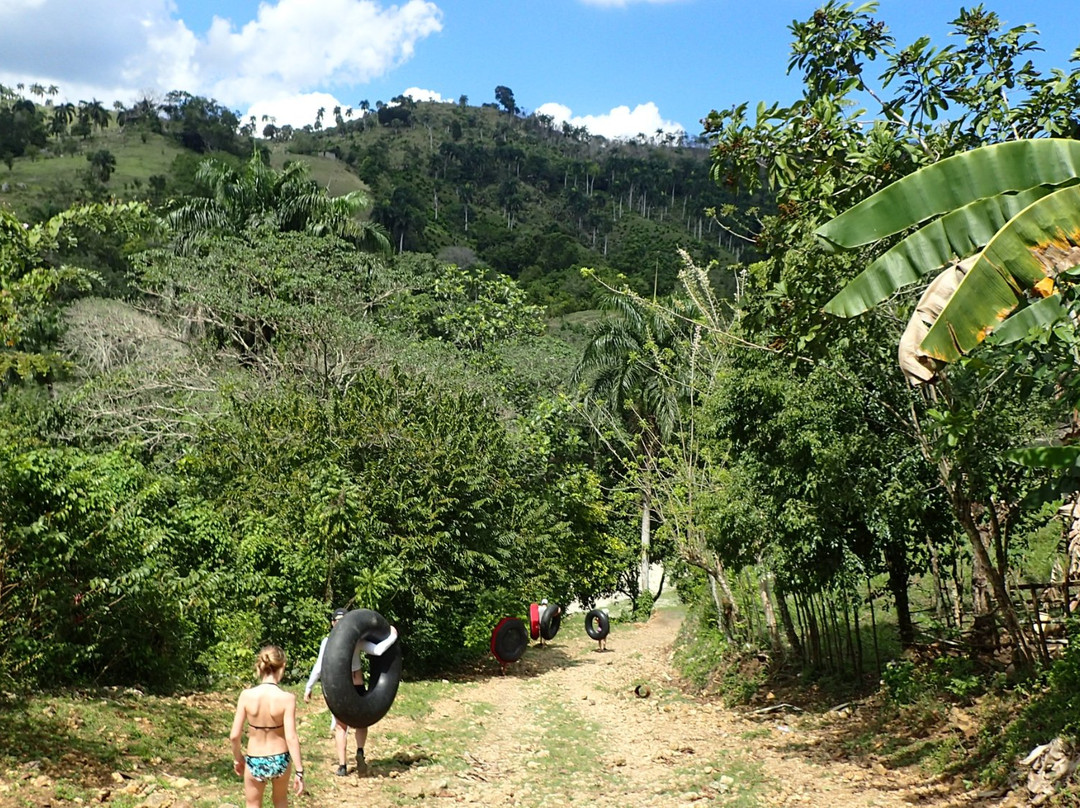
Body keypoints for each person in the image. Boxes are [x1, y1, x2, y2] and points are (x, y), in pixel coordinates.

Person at [304, 608, 398, 777]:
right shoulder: (332, 642)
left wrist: (392, 637)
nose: (339, 623)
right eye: (337, 620)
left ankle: (351, 759)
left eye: (342, 620)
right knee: (348, 725)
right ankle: (349, 759)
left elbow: (377, 651)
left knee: (355, 723)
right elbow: (319, 666)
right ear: (332, 623)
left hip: (348, 689)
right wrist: (309, 687)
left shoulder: (354, 641)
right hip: (344, 688)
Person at [230, 645, 304, 808]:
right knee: (281, 801)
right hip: (280, 758)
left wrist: (237, 758)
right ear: (282, 666)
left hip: (255, 759)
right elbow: (291, 737)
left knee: (253, 804)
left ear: (260, 666)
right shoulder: (287, 698)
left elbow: (234, 735)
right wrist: (299, 771)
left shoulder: (246, 696)